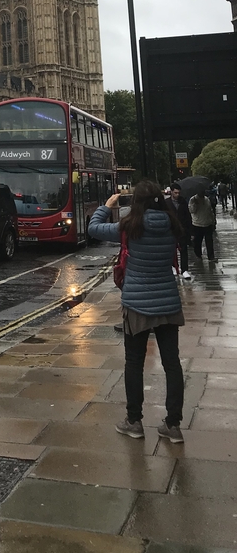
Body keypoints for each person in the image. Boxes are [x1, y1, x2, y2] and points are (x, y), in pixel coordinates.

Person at [89, 181, 185, 444]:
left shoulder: (129, 227)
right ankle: (173, 425)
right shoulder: (172, 226)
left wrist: (106, 207)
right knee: (172, 363)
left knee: (134, 362)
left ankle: (134, 421)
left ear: (137, 203)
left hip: (137, 304)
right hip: (167, 302)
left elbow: (93, 229)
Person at [167, 183, 192, 280]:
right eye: (175, 192)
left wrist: (190, 230)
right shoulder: (167, 203)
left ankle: (184, 269)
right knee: (171, 250)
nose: (177, 195)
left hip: (182, 229)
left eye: (178, 193)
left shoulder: (183, 202)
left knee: (183, 249)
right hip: (171, 230)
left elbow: (187, 216)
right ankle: (174, 267)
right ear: (172, 192)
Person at [189, 189, 216, 261]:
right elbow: (191, 210)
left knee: (209, 241)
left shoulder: (207, 199)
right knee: (197, 241)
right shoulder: (193, 199)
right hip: (197, 224)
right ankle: (198, 255)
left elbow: (210, 210)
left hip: (207, 223)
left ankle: (211, 256)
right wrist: (195, 204)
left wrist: (213, 220)